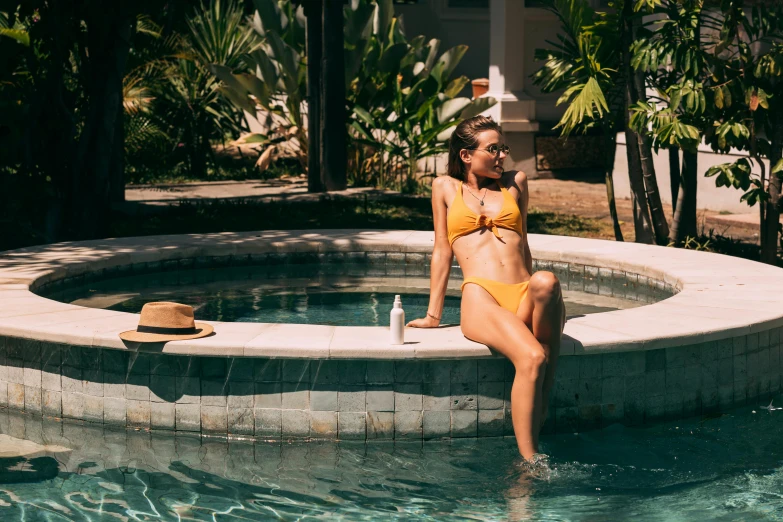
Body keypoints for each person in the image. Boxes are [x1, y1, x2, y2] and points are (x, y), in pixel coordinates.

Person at [407, 115, 565, 460]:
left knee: (547, 281)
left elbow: (523, 242)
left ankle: (542, 406)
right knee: (533, 355)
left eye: (503, 148)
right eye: (492, 149)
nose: (501, 156)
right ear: (467, 155)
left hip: (524, 291)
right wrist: (433, 316)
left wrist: (538, 300)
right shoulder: (445, 188)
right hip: (483, 296)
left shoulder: (515, 182)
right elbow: (441, 251)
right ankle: (530, 463)